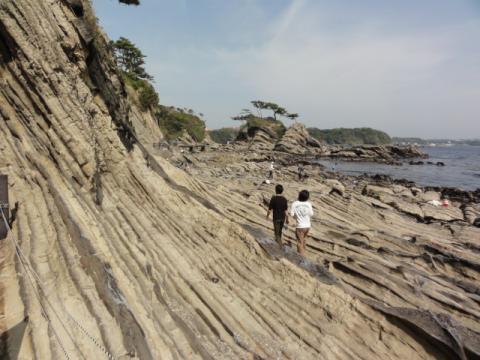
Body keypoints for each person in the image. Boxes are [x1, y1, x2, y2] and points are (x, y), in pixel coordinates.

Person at [290, 190, 313, 255]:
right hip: (307, 226)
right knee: (304, 239)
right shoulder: (308, 204)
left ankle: (301, 257)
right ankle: (304, 252)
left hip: (300, 226)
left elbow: (292, 214)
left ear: (299, 195)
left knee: (299, 242)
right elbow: (311, 214)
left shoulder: (295, 203)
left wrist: (297, 217)